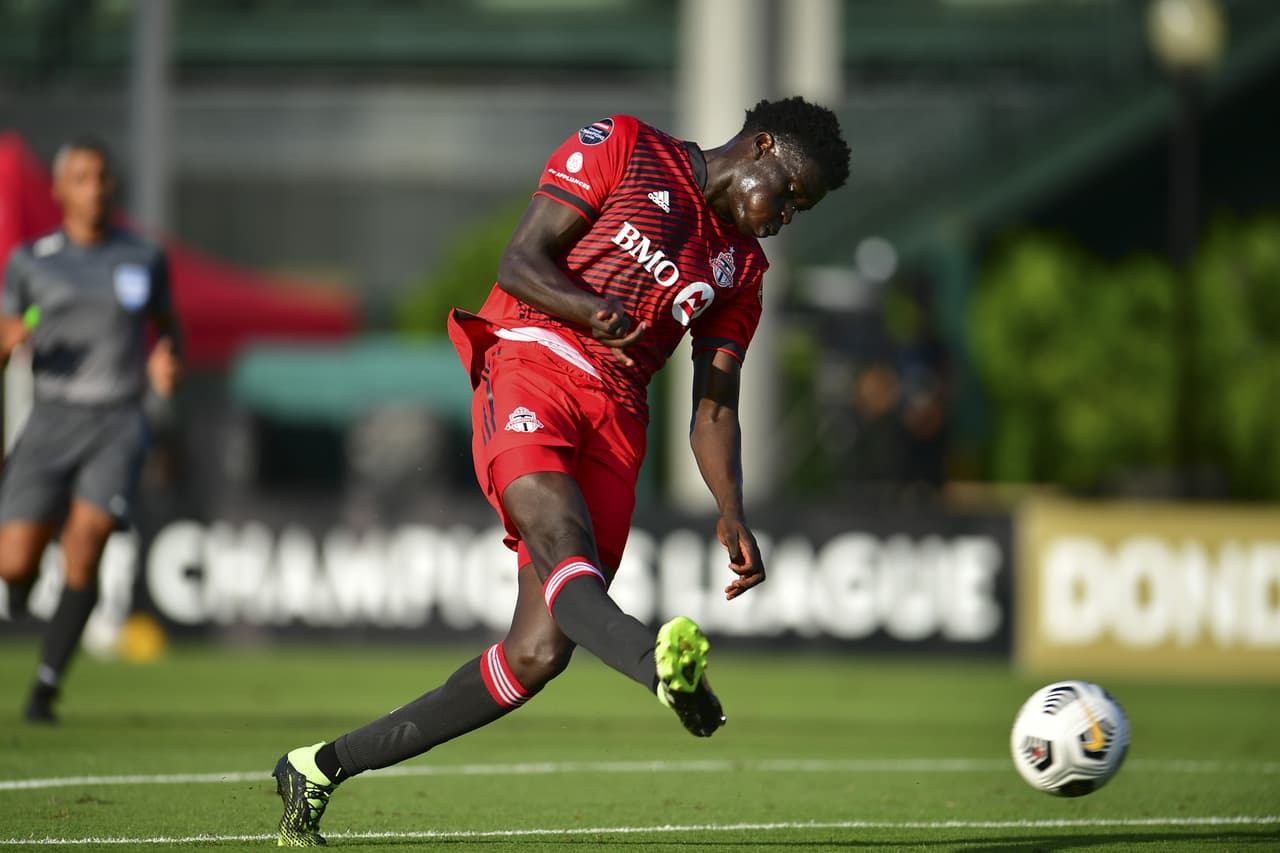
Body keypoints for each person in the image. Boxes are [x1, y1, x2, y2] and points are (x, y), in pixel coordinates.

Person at [272, 96, 850, 846]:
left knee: (538, 651)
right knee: (563, 547)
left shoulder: (742, 268)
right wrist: (588, 308)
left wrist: (731, 507)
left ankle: (318, 766)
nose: (783, 220)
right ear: (761, 146)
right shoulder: (626, 147)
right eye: (790, 195)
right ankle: (659, 666)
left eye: (799, 212)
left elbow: (714, 408)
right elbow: (520, 258)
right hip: (530, 358)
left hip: (617, 418)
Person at [0, 137, 182, 723]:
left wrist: (164, 358)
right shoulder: (31, 261)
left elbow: (166, 327)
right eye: (81, 177)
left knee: (89, 536)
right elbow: (6, 329)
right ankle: (21, 587)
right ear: (59, 190)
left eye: (102, 177)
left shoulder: (142, 256)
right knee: (12, 562)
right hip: (51, 417)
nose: (95, 187)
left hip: (118, 419)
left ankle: (46, 685)